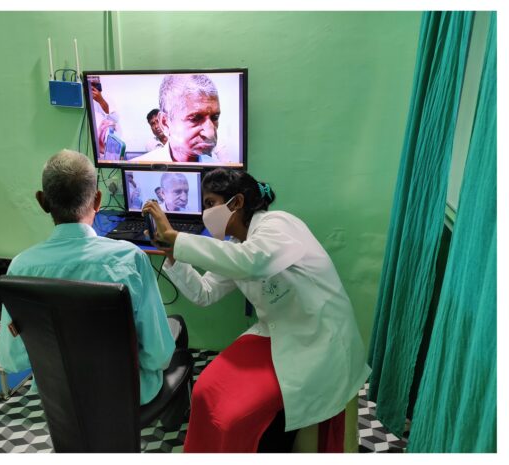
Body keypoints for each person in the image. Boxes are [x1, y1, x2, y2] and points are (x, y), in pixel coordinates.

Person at [141, 168, 369, 452]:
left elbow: (253, 262)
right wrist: (174, 256)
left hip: (319, 337)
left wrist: (178, 238)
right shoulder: (237, 246)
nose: (205, 213)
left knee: (235, 416)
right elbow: (205, 292)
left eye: (210, 203)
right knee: (205, 390)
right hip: (276, 333)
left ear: (235, 203)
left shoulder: (278, 225)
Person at [0, 150, 174, 406]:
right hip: (127, 394)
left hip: (60, 397)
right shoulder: (130, 258)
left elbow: (11, 359)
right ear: (98, 199)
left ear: (42, 201)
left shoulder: (21, 267)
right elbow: (158, 355)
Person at [144, 74, 221, 163]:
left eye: (215, 117)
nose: (210, 134)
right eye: (195, 118)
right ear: (165, 123)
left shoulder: (216, 168)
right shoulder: (137, 171)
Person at [89, 79, 120, 160]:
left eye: (95, 84)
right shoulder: (85, 102)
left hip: (107, 150)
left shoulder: (108, 99)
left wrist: (101, 101)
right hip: (90, 147)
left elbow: (115, 119)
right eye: (91, 84)